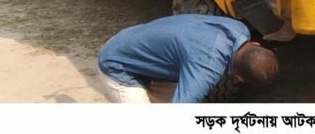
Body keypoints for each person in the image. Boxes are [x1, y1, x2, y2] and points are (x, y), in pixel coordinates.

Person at [97, 14, 278, 103]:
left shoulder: (238, 28)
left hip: (132, 42)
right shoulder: (206, 66)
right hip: (118, 64)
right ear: (239, 78)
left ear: (256, 44)